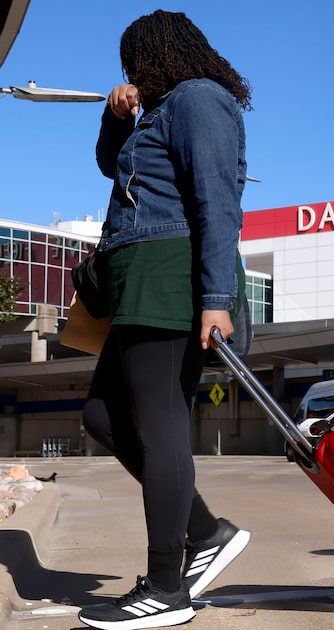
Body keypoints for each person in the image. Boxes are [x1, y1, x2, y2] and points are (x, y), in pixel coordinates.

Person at [76, 10, 253, 629]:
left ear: (161, 54)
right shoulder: (155, 112)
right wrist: (115, 114)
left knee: (161, 428)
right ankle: (206, 533)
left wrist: (216, 297)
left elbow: (217, 201)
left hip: (172, 279)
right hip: (138, 284)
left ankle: (166, 588)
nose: (132, 72)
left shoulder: (200, 99)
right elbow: (110, 164)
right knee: (102, 415)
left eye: (136, 61)